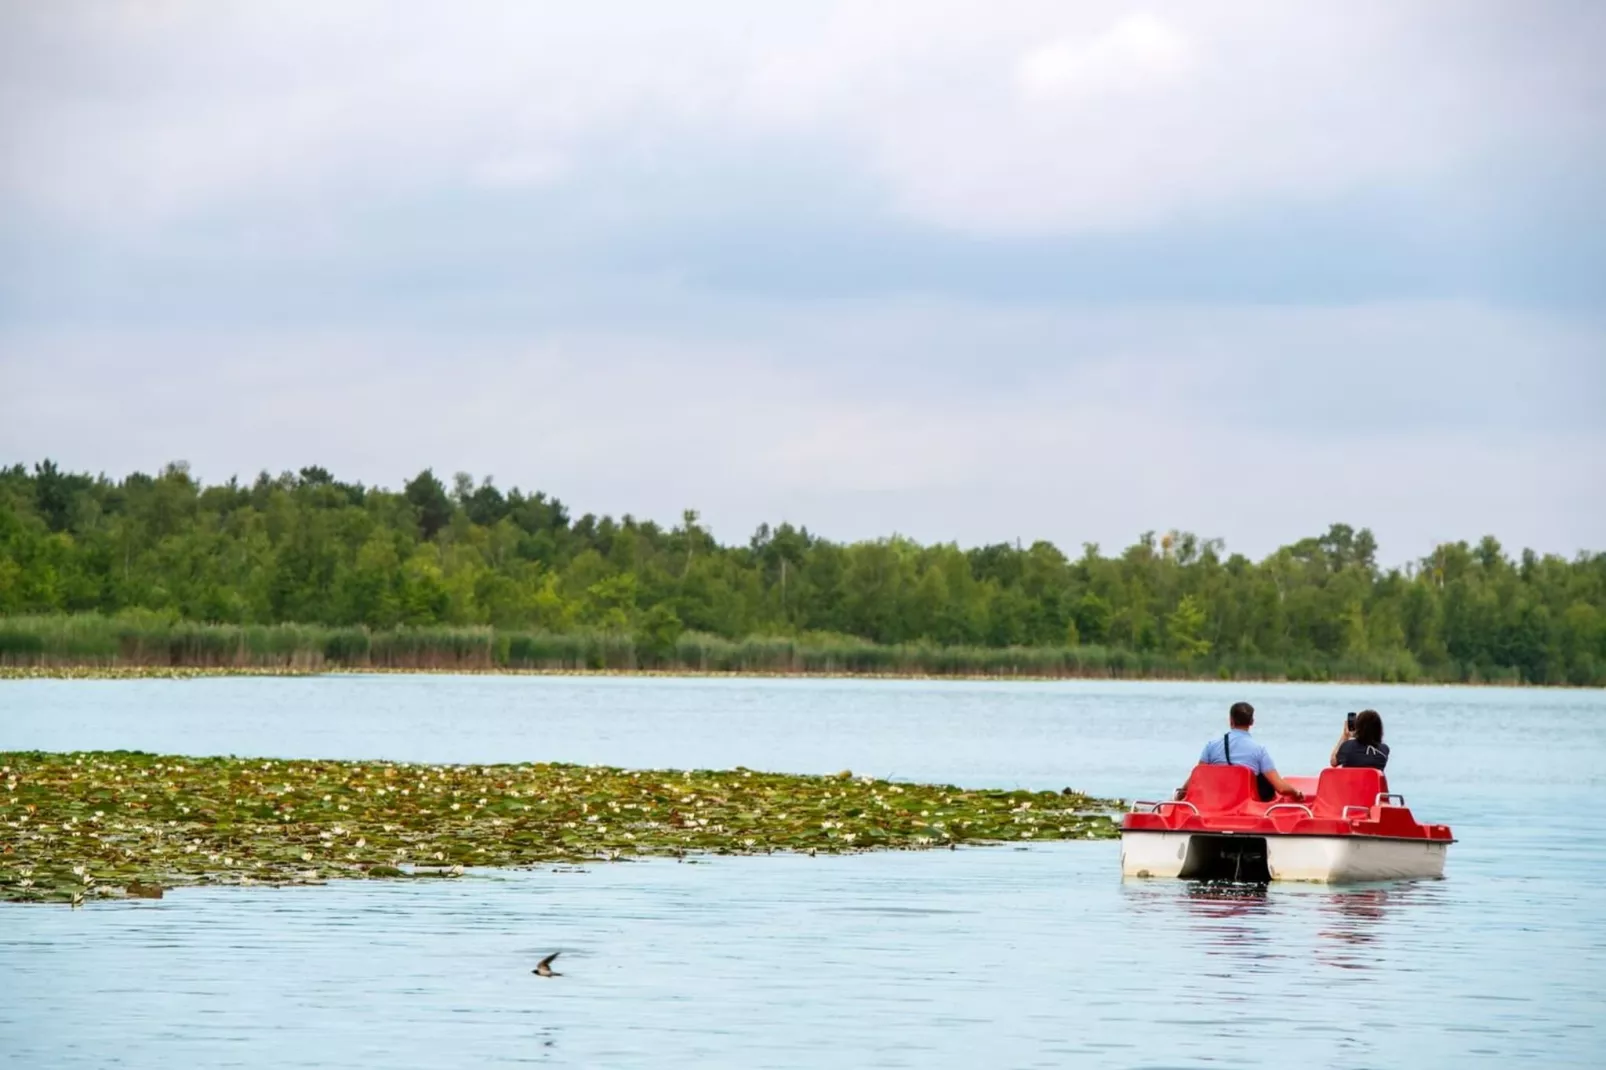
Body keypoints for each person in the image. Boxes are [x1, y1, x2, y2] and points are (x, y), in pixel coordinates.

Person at [1196, 701, 1305, 802]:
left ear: (1230, 720)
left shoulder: (1211, 746)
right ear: (1252, 722)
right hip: (1245, 807)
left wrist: (1181, 793)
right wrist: (1296, 793)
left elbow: (1197, 776)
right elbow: (1280, 788)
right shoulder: (1259, 750)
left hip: (1216, 802)